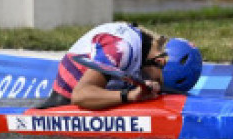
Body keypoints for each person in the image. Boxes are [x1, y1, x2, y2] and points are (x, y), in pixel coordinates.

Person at [38, 22, 202, 110]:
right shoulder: (121, 49)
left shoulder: (147, 52)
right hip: (64, 102)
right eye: (157, 80)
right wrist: (129, 96)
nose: (156, 85)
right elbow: (80, 96)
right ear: (159, 61)